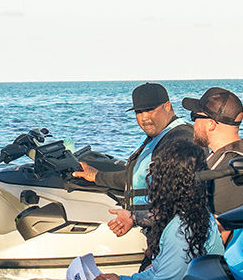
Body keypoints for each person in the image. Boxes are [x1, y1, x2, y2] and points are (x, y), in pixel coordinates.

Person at [72, 138, 224, 280]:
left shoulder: (181, 229)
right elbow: (160, 271)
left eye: (156, 176)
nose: (152, 182)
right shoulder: (193, 215)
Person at [78, 82, 195, 236]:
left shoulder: (181, 139)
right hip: (157, 231)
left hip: (178, 234)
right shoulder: (157, 138)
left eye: (150, 110)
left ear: (167, 106)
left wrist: (134, 218)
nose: (144, 118)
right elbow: (138, 177)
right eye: (139, 112)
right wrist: (97, 176)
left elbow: (180, 199)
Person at [183, 86, 243, 219]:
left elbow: (221, 227)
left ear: (211, 124)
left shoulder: (228, 170)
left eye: (195, 117)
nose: (193, 124)